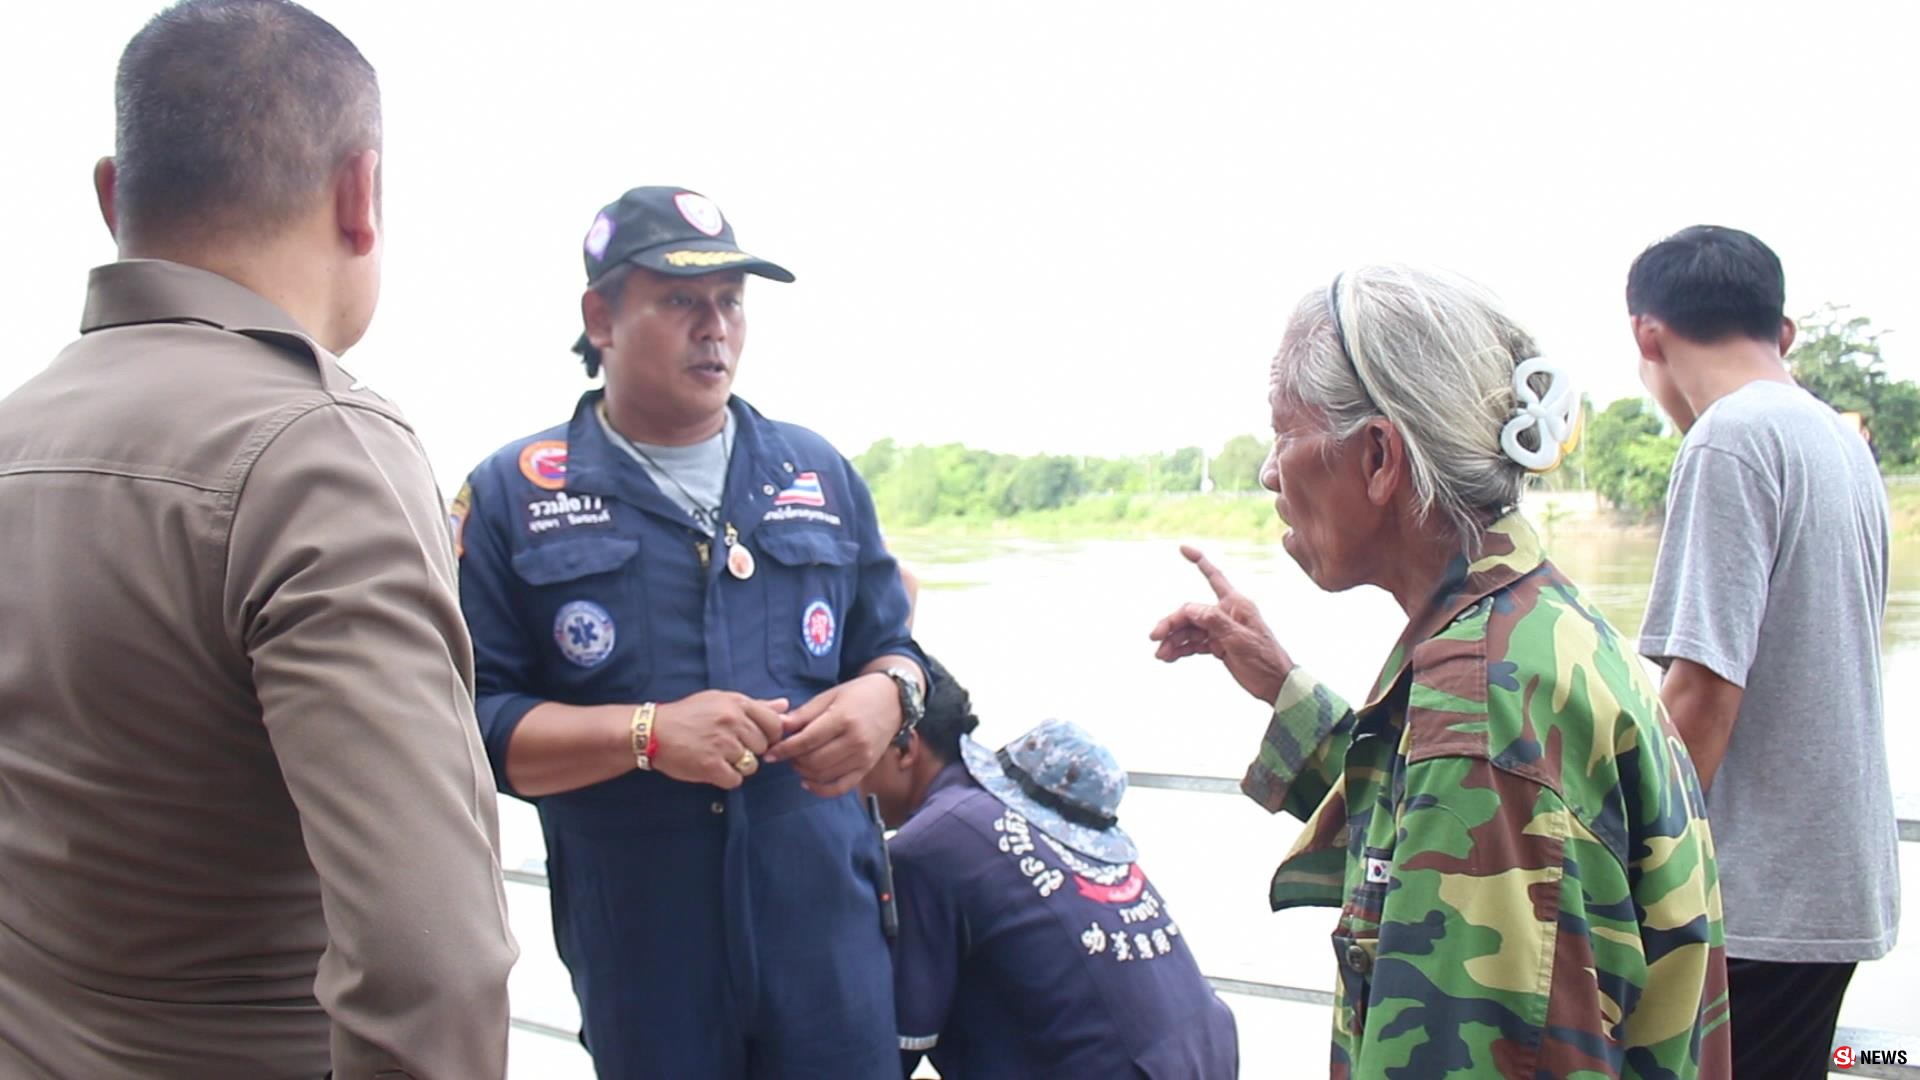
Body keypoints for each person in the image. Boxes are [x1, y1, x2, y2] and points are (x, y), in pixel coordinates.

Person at [0, 2, 518, 1077]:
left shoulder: (17, 433)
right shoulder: (314, 455)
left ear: (111, 196)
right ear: (359, 194)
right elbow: (432, 968)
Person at [1149, 265, 1730, 1078]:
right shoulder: (1535, 628)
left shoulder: (1484, 706)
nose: (1270, 474)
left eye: (1284, 435)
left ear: (1381, 456)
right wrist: (1281, 681)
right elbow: (1422, 829)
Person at [455, 185, 927, 1079]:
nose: (715, 327)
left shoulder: (816, 472)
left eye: (731, 303)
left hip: (827, 948)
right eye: (680, 300)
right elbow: (468, 732)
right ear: (601, 316)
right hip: (647, 960)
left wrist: (885, 697)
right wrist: (647, 733)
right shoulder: (519, 495)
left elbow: (896, 649)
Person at [1627, 226, 1897, 1078]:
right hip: (1833, 882)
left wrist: (1620, 880)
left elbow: (1699, 697)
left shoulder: (1730, 439)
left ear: (1649, 336)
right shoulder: (1838, 441)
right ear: (1777, 328)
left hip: (1756, 898)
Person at [860, 656, 1239, 1078]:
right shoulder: (1021, 809)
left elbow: (884, 1051)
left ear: (905, 745)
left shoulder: (927, 846)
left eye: (846, 740)